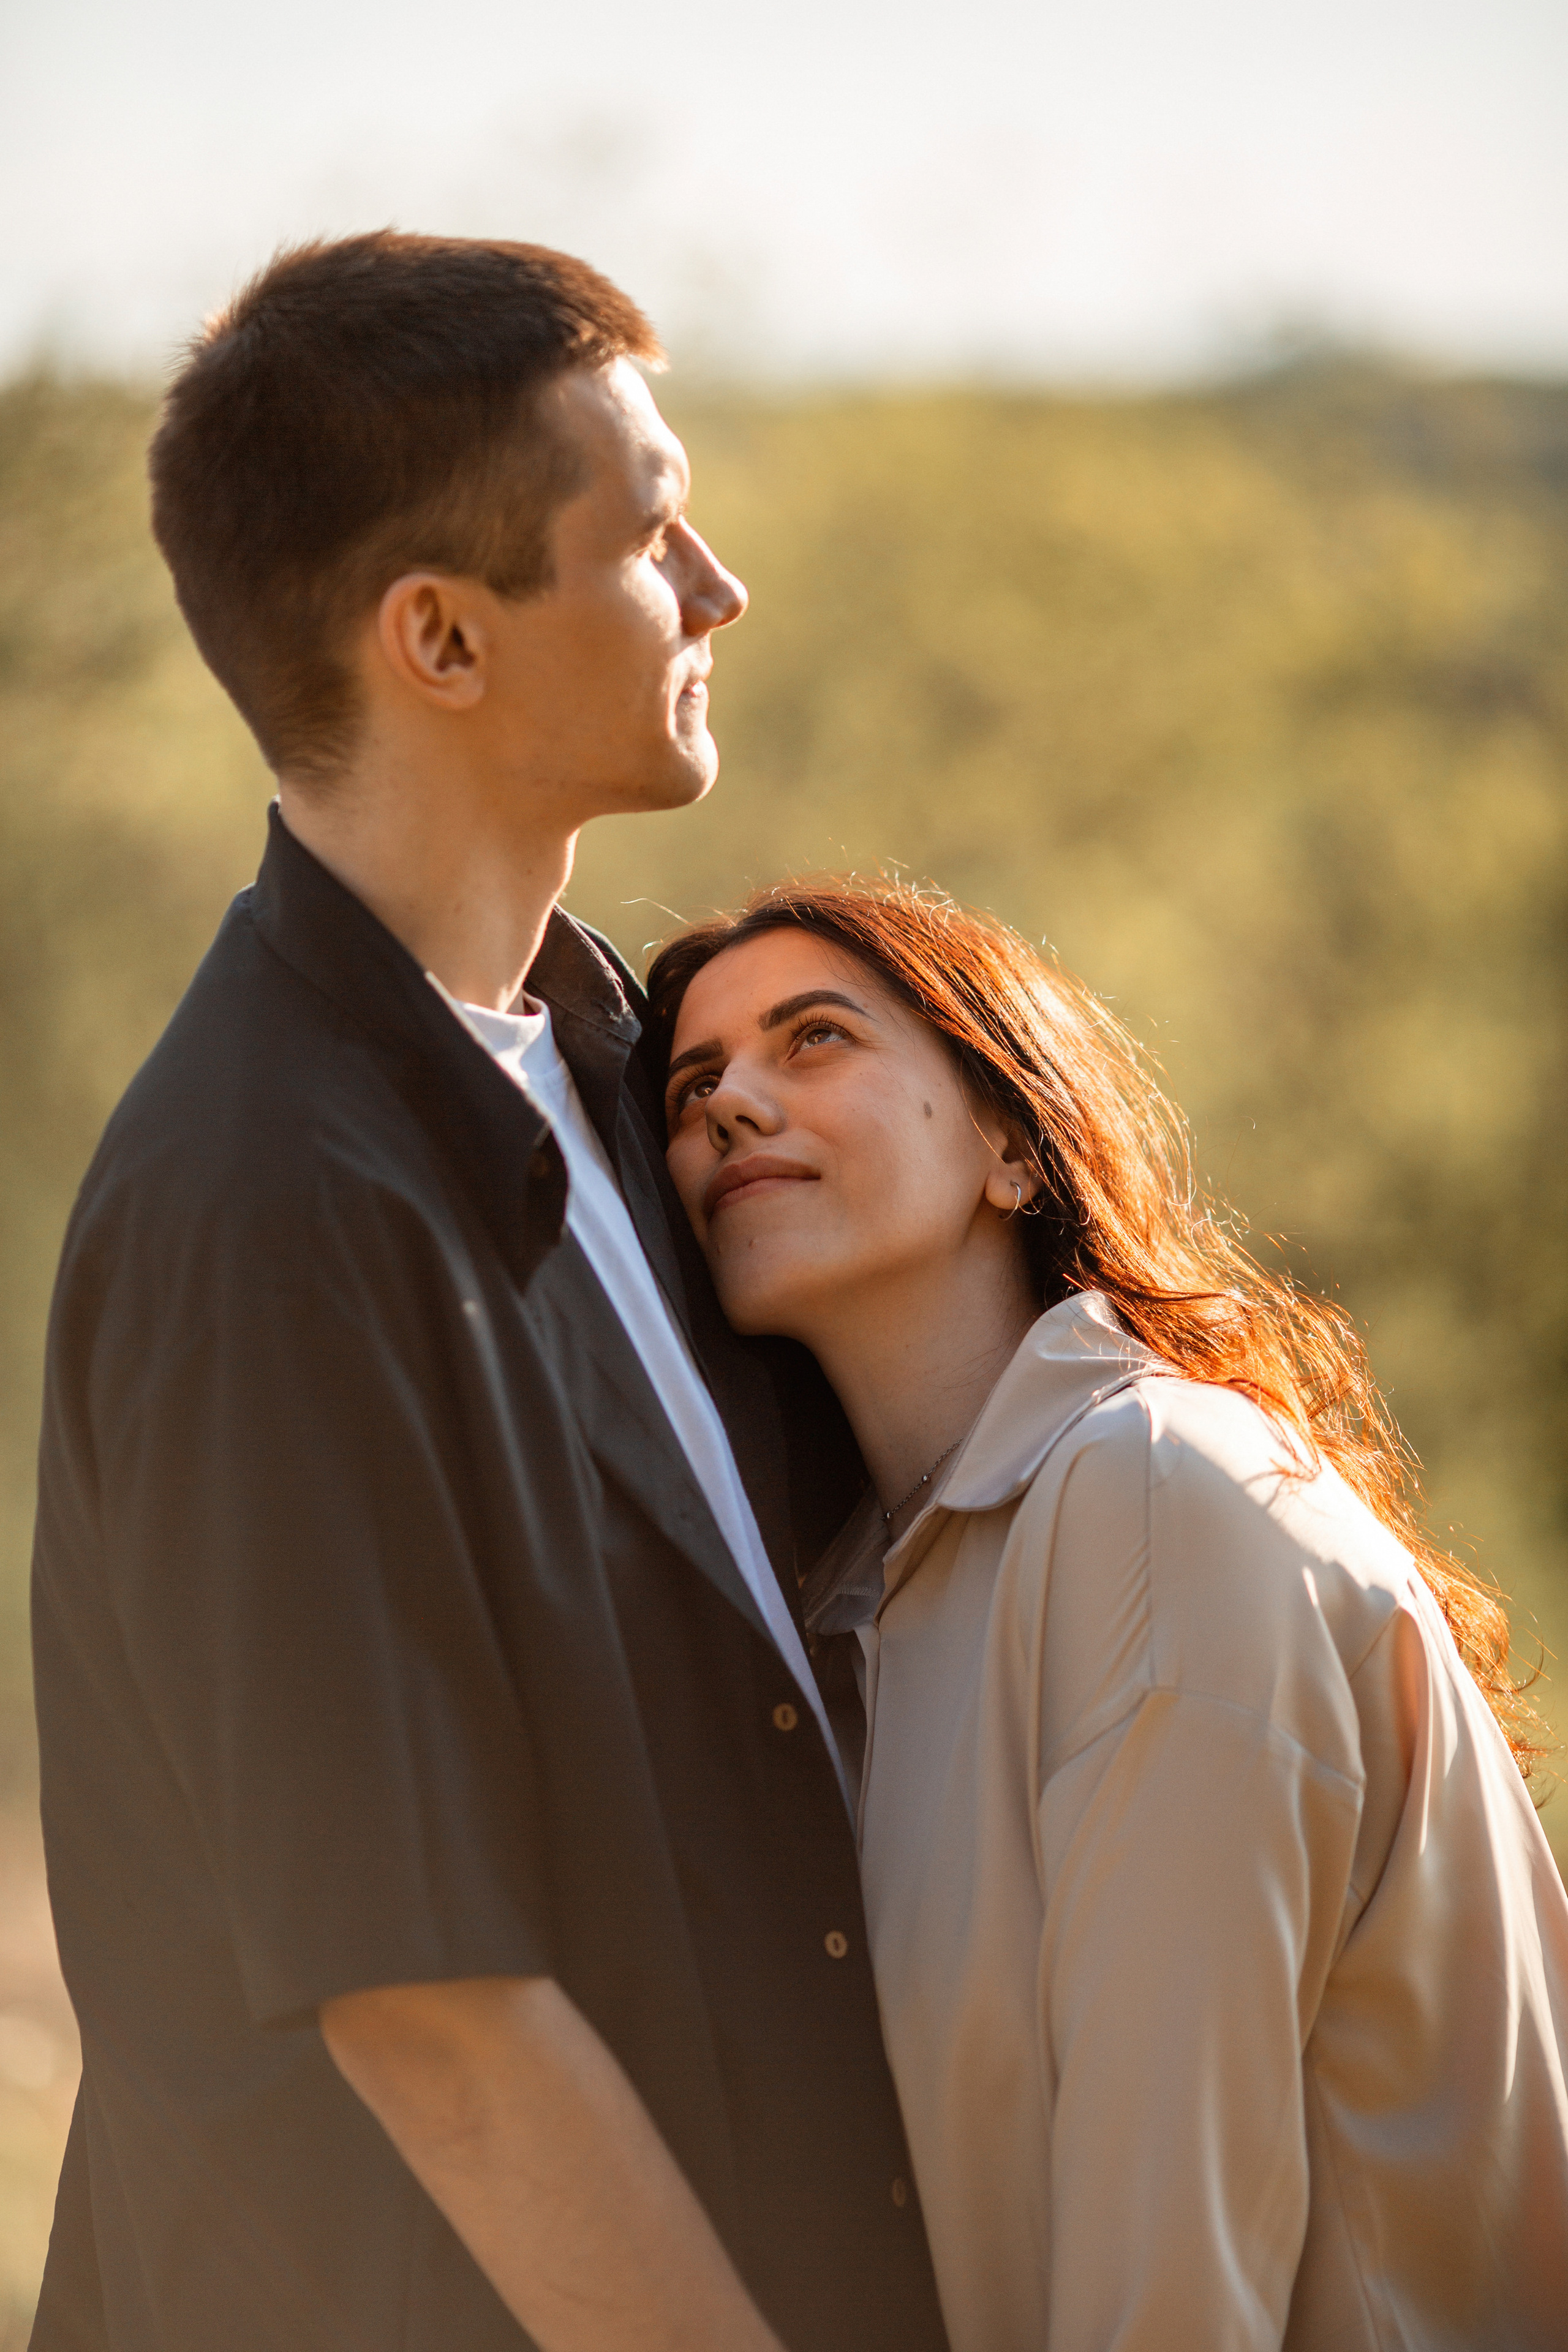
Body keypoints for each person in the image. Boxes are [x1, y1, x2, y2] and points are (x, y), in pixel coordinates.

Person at [29, 236, 947, 2352]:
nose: (717, 588)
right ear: (437, 636)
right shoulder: (258, 1213)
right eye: (646, 534)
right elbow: (439, 2017)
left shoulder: (643, 1077)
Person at [652, 876, 1568, 2352]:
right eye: (694, 1084)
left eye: (811, 1040)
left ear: (1011, 1146)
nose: (728, 1110)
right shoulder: (858, 1613)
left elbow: (1169, 2261)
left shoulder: (1152, 1496)